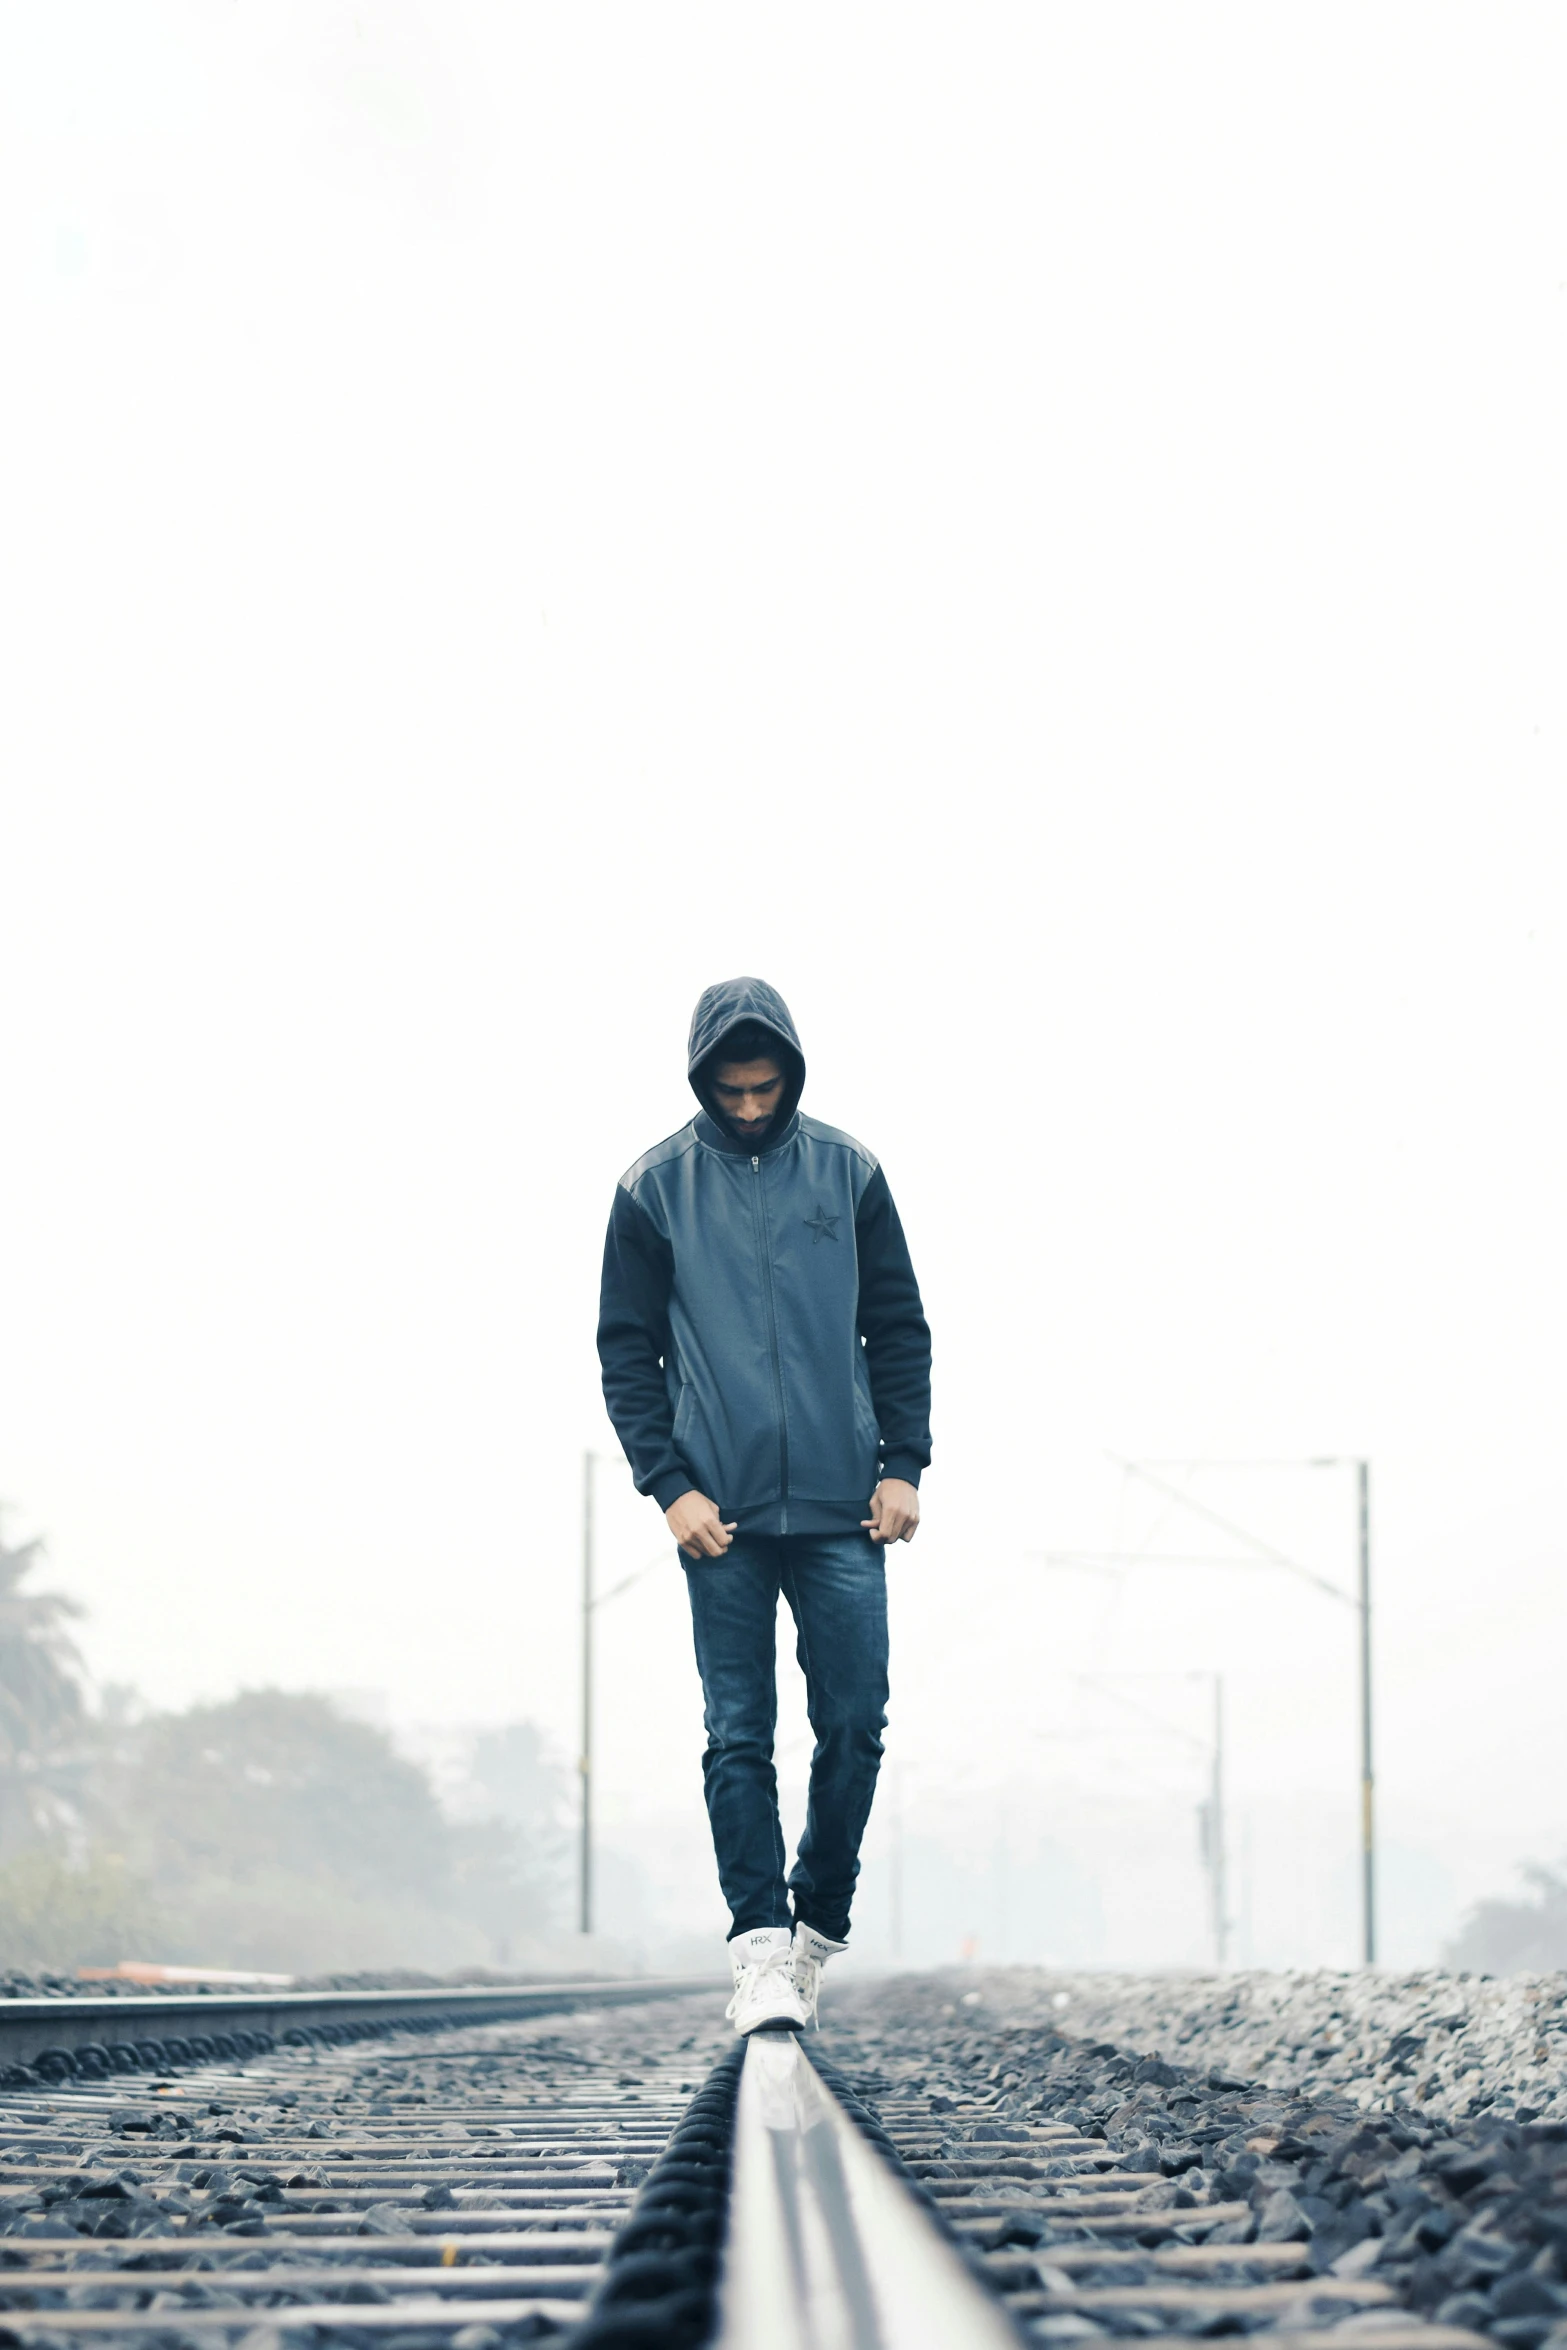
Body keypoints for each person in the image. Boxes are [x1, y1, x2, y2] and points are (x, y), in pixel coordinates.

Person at [597, 977, 932, 2033]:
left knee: (854, 1724)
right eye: (729, 1090)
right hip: (721, 1513)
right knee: (738, 1732)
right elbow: (625, 1352)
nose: (748, 1106)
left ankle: (815, 1922)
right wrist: (670, 1485)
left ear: (790, 1070)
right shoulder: (652, 1190)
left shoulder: (849, 1169)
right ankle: (757, 1952)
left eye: (765, 1086)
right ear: (702, 1079)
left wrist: (903, 1463)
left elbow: (898, 1325)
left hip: (844, 1504)